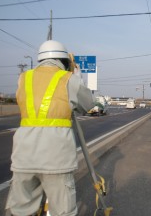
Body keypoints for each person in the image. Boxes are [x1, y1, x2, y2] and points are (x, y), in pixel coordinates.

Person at [5, 40, 94, 216]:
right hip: (57, 160)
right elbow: (87, 104)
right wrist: (78, 78)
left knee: (19, 210)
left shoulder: (24, 77)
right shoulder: (69, 79)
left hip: (23, 158)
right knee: (62, 211)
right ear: (64, 60)